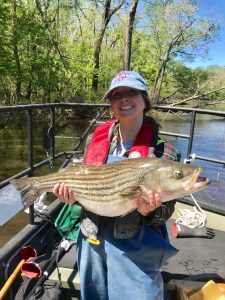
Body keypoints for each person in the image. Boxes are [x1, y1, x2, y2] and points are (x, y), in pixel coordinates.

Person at [53, 71, 180, 300]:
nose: (124, 99)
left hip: (136, 245)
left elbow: (167, 211)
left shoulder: (165, 152)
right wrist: (72, 197)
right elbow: (85, 184)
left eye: (132, 93)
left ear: (145, 100)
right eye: (116, 95)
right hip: (91, 238)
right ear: (111, 104)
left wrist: (149, 211)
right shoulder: (95, 140)